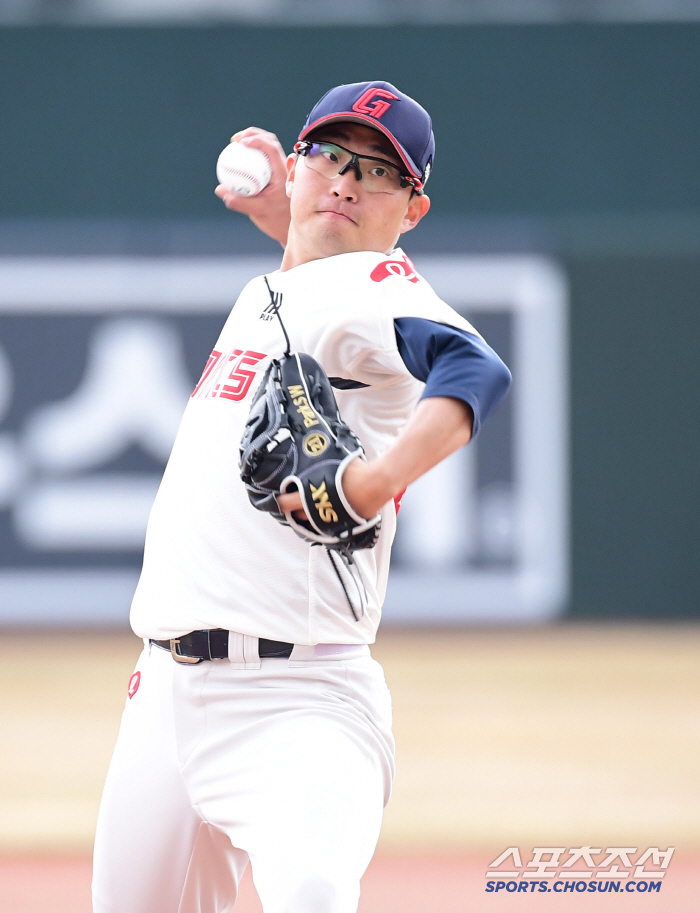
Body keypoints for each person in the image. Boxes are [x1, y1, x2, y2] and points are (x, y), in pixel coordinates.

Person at [92, 81, 511, 913]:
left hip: (298, 702)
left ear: (413, 209)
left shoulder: (377, 283)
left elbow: (476, 369)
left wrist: (372, 481)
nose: (347, 182)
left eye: (378, 174)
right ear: (297, 165)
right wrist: (281, 216)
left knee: (311, 894)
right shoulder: (282, 287)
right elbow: (319, 269)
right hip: (163, 693)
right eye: (330, 156)